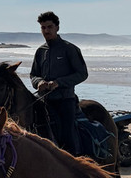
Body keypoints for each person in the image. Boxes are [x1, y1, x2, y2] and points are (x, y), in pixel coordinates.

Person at [29, 11, 88, 154]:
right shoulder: (40, 51)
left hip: (65, 100)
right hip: (44, 100)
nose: (46, 31)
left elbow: (82, 74)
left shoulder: (70, 49)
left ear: (57, 28)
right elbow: (33, 75)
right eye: (43, 28)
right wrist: (39, 83)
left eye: (49, 27)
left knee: (67, 135)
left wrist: (58, 82)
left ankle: (76, 162)